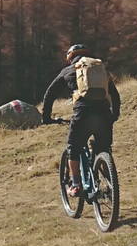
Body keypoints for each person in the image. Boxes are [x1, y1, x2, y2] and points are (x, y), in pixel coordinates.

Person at [42, 44, 120, 197]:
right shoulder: (100, 70)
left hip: (82, 112)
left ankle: (76, 184)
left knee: (73, 147)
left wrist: (46, 117)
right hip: (104, 112)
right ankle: (109, 183)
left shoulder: (68, 70)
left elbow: (50, 94)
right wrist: (113, 116)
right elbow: (115, 95)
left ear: (70, 58)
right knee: (103, 148)